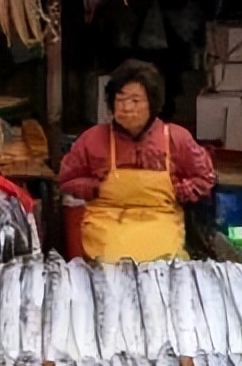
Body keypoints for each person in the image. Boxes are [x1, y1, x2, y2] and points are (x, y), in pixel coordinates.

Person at [60, 60, 216, 262]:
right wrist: (93, 187)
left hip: (160, 220)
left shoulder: (177, 138)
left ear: (152, 104)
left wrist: (181, 190)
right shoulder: (92, 138)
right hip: (107, 222)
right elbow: (67, 179)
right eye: (120, 100)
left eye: (135, 101)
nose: (126, 108)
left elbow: (205, 178)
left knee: (162, 259)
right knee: (111, 260)